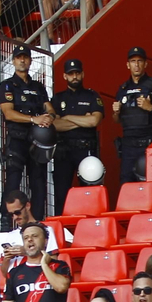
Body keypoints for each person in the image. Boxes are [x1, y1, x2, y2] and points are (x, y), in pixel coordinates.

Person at [0, 45, 51, 211]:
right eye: (19, 57)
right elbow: (9, 113)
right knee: (13, 182)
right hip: (17, 139)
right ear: (13, 61)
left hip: (37, 140)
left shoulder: (38, 87)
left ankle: (37, 220)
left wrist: (49, 117)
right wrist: (34, 119)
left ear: (30, 60)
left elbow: (50, 109)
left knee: (38, 182)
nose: (22, 60)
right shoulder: (7, 86)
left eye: (25, 57)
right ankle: (6, 220)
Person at [47, 57, 103, 216]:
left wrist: (67, 118)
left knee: (90, 192)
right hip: (63, 151)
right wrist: (82, 121)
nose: (74, 77)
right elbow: (55, 125)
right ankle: (62, 227)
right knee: (61, 195)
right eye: (71, 74)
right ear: (65, 76)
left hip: (86, 149)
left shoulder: (92, 96)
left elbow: (94, 121)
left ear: (82, 74)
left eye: (77, 73)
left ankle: (91, 224)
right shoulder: (57, 99)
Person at [112, 46, 152, 184]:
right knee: (126, 183)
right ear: (128, 65)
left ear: (145, 64)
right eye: (133, 61)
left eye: (139, 61)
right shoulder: (122, 89)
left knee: (150, 184)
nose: (136, 65)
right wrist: (116, 112)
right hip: (128, 147)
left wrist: (151, 108)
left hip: (148, 144)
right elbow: (117, 120)